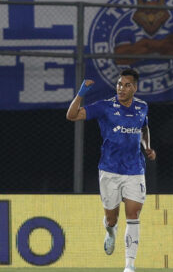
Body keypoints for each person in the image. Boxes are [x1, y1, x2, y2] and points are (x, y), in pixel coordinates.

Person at [66, 69, 156, 272]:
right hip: (109, 170)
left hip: (135, 169)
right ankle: (111, 231)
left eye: (126, 85)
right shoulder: (105, 106)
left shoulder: (142, 107)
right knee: (112, 218)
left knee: (133, 215)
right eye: (118, 84)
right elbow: (71, 116)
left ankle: (129, 266)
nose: (121, 88)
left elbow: (144, 128)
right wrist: (81, 92)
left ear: (135, 87)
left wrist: (147, 147)